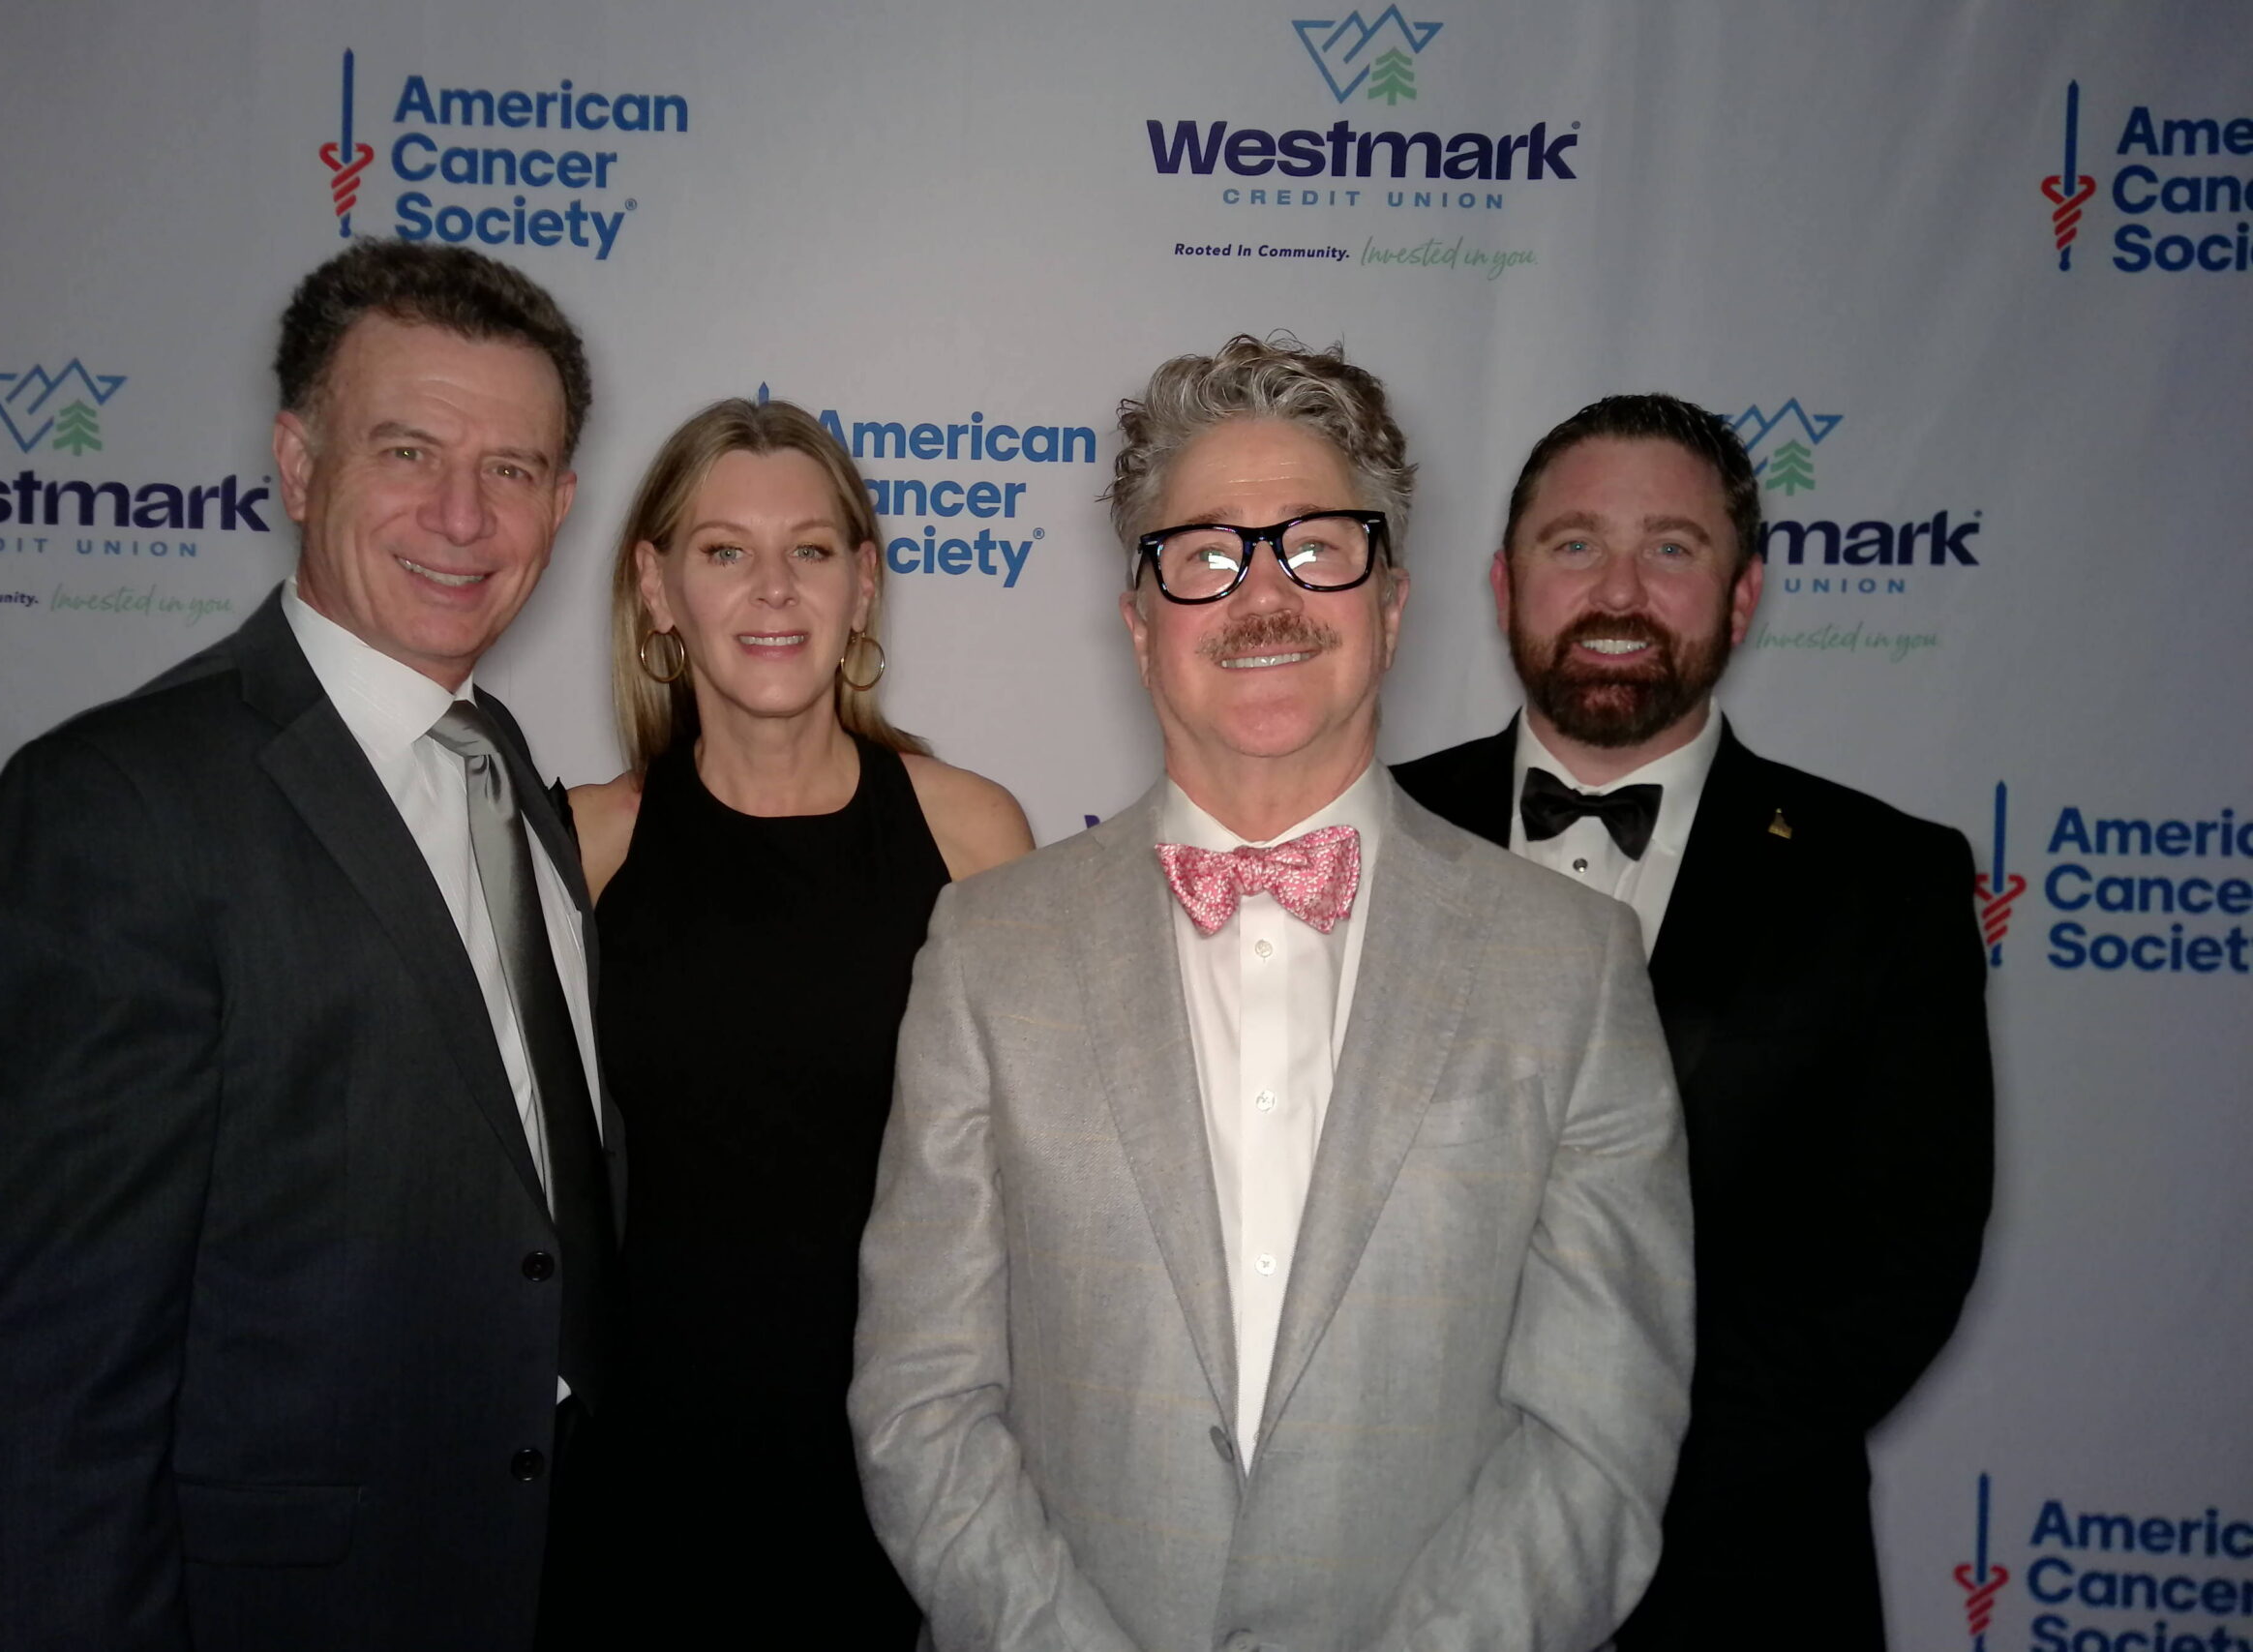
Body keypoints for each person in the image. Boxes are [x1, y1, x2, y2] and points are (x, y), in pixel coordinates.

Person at [850, 336, 1695, 1651]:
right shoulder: (986, 949)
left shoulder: (1573, 966)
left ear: (1391, 606)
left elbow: (1599, 1431)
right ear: (1141, 623)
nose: (1265, 595)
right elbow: (922, 1401)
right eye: (1205, 554)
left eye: (1315, 547)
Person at [0, 240, 617, 1652]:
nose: (463, 515)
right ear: (299, 465)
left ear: (560, 503)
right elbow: (45, 1394)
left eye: (513, 468)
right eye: (408, 451)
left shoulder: (505, 766)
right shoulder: (114, 807)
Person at [1391, 392, 1994, 1651]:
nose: (1618, 590)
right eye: (1574, 544)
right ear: (1504, 584)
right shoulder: (1359, 838)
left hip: (1736, 1578)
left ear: (1744, 594)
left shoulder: (1886, 882)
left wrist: (1586, 1482)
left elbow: (1896, 1267)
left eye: (1670, 547)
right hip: (1382, 1570)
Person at [566, 397, 1032, 1641]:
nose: (772, 589)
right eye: (724, 550)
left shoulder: (971, 833)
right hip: (643, 1494)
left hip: (904, 1478)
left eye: (810, 550)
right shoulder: (581, 847)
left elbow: (1035, 1188)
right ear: (656, 588)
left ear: (862, 584)